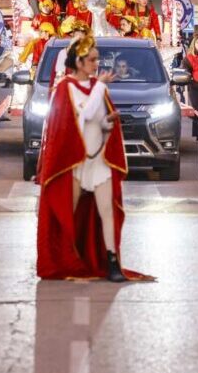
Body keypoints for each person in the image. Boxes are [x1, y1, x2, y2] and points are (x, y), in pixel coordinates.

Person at [36, 36, 146, 282]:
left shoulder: (99, 86)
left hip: (98, 159)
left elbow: (98, 120)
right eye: (92, 59)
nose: (97, 64)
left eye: (97, 59)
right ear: (79, 61)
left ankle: (113, 262)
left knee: (107, 211)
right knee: (70, 211)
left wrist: (109, 122)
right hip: (74, 161)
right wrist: (99, 87)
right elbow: (81, 117)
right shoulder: (65, 88)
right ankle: (67, 259)